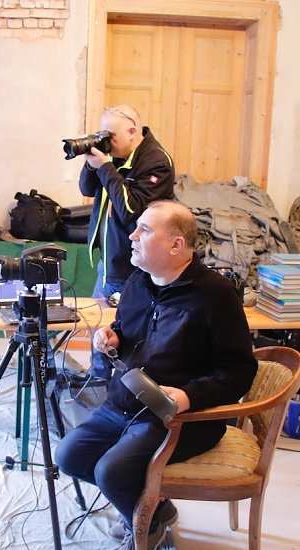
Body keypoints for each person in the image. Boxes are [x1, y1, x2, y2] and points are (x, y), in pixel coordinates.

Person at [55, 200, 257, 550]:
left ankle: (143, 532)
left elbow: (240, 370)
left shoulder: (216, 295)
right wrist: (113, 336)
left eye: (144, 230)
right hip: (125, 404)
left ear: (176, 245)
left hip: (181, 419)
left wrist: (188, 397)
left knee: (111, 471)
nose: (131, 235)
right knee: (69, 457)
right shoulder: (138, 281)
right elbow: (133, 331)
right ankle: (154, 510)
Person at [78, 104, 175, 383]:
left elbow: (131, 210)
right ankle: (97, 384)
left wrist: (106, 167)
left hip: (134, 265)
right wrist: (91, 160)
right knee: (99, 330)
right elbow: (87, 189)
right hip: (109, 262)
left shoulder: (156, 162)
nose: (107, 141)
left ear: (133, 131)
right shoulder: (116, 155)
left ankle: (124, 391)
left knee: (126, 334)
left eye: (111, 135)